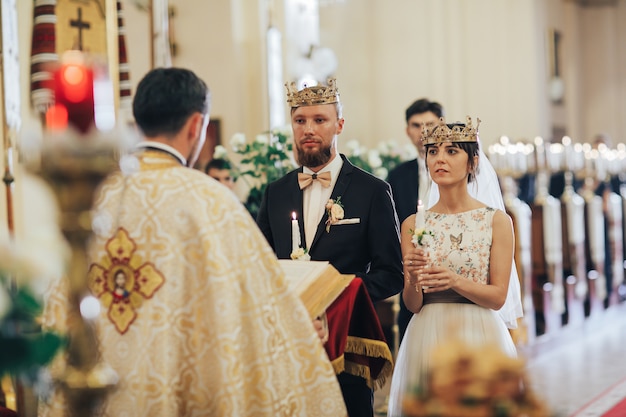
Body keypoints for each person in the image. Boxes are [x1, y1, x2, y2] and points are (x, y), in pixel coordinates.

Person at [40, 68, 347, 417]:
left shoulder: (91, 200)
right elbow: (258, 308)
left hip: (97, 394)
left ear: (137, 121)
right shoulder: (210, 202)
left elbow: (58, 303)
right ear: (196, 126)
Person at [256, 78, 404, 417]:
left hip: (346, 342)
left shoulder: (372, 191)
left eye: (319, 120)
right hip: (286, 344)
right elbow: (260, 267)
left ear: (339, 124)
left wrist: (337, 293)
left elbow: (391, 274)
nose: (308, 129)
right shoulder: (275, 193)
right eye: (300, 120)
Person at [387, 117, 519, 417]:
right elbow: (413, 303)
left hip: (479, 331)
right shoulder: (413, 224)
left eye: (452, 151)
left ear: (473, 163)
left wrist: (453, 280)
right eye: (433, 152)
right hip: (428, 332)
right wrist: (412, 278)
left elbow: (498, 297)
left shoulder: (496, 220)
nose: (440, 159)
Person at [387, 98, 444, 344]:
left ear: (441, 125)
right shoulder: (397, 176)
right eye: (416, 125)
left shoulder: (457, 169)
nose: (423, 132)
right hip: (411, 272)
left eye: (429, 124)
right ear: (407, 131)